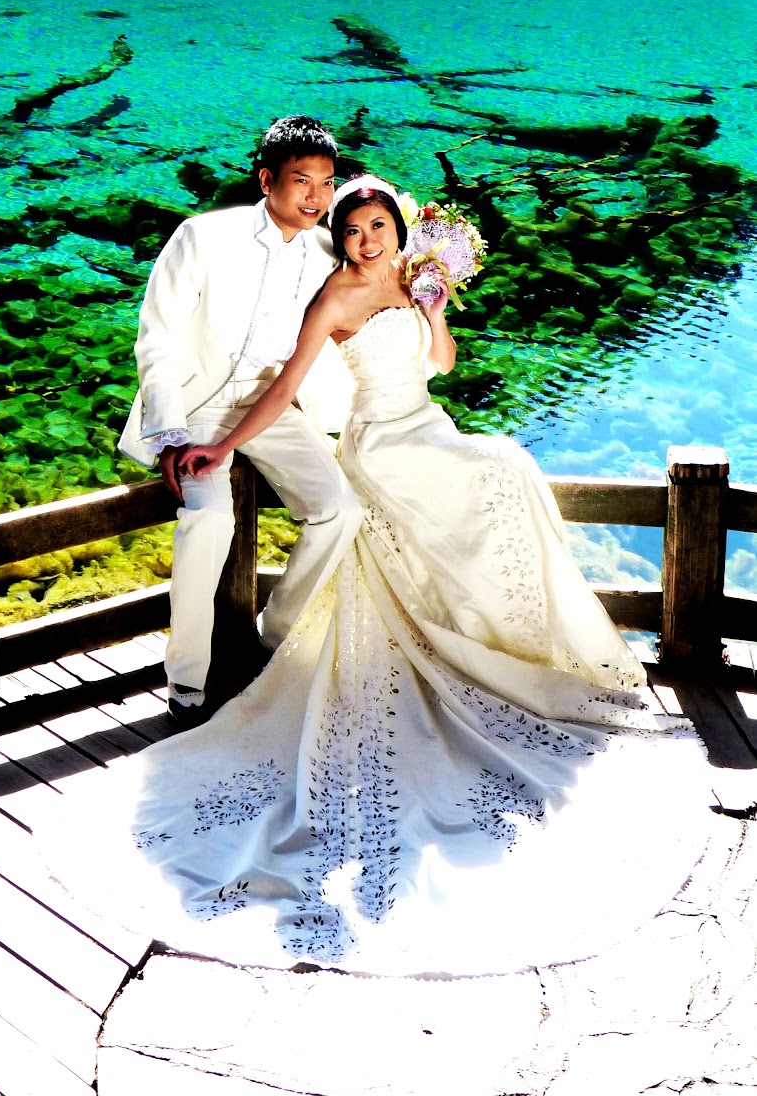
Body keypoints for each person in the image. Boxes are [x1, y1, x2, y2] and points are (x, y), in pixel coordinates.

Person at [54, 173, 709, 977]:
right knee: (493, 472)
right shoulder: (333, 296)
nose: (367, 241)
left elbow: (440, 364)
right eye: (353, 230)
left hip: (425, 423)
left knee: (504, 465)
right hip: (380, 444)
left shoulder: (413, 277)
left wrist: (434, 308)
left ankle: (501, 640)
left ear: (399, 229)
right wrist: (220, 445)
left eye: (378, 228)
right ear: (340, 238)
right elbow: (286, 386)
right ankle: (458, 641)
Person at [117, 115, 363, 720]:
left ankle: (275, 638)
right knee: (209, 520)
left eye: (327, 183)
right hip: (198, 406)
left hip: (271, 404)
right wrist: (170, 434)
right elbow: (157, 336)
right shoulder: (201, 236)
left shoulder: (329, 251)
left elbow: (375, 285)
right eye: (301, 180)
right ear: (266, 179)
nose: (316, 197)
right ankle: (186, 678)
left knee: (339, 509)